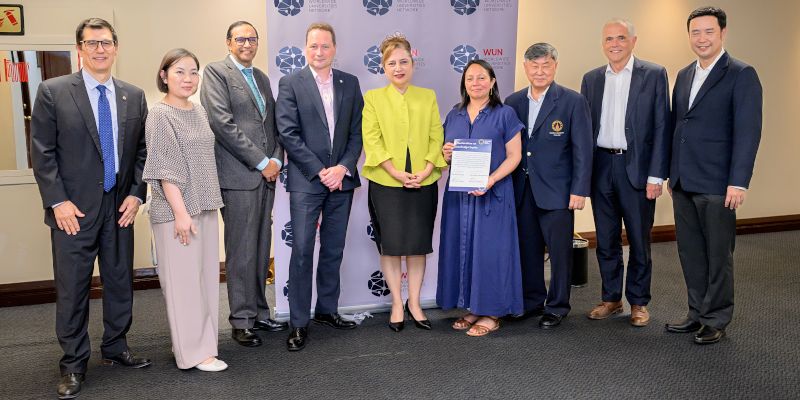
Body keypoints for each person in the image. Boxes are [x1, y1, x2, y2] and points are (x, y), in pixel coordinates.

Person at [30, 18, 151, 399]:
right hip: (72, 211)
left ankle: (116, 347)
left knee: (119, 282)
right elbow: (43, 153)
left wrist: (136, 193)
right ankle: (72, 363)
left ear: (116, 47)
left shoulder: (133, 95)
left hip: (120, 206)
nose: (100, 49)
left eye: (106, 42)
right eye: (91, 43)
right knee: (73, 289)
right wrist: (57, 201)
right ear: (80, 48)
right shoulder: (53, 91)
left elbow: (142, 152)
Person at [665, 7, 762, 345]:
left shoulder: (741, 74)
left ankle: (717, 319)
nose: (701, 38)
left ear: (722, 33)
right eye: (695, 32)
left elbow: (748, 133)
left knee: (718, 255)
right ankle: (696, 313)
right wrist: (669, 173)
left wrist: (739, 181)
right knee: (691, 252)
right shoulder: (685, 74)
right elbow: (679, 126)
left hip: (719, 184)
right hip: (683, 181)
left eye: (708, 31)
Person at [276, 22, 364, 351]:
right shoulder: (290, 83)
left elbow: (357, 132)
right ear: (305, 49)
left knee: (333, 249)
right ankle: (298, 322)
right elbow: (288, 133)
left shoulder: (350, 83)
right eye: (313, 46)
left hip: (342, 180)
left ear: (335, 49)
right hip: (307, 181)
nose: (319, 51)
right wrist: (320, 170)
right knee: (301, 252)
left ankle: (327, 310)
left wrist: (342, 167)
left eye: (325, 46)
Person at [200, 20, 288, 348]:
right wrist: (262, 161)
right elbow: (221, 124)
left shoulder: (262, 78)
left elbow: (273, 126)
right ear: (228, 42)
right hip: (238, 176)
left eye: (252, 39)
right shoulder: (216, 73)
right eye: (240, 39)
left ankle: (260, 314)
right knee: (241, 250)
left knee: (261, 247)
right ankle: (241, 320)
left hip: (266, 176)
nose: (247, 44)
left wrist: (277, 159)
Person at [580, 19, 670, 327]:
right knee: (605, 238)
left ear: (633, 41)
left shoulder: (654, 75)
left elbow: (661, 127)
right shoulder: (591, 79)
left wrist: (657, 175)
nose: (614, 44)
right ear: (602, 43)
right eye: (608, 39)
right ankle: (611, 298)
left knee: (638, 239)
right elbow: (584, 131)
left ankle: (639, 302)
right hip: (601, 166)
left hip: (637, 169)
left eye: (621, 38)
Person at [143, 48, 227, 372]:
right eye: (179, 71)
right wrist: (180, 213)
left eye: (193, 72)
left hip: (204, 206)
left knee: (205, 282)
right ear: (164, 75)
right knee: (183, 287)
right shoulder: (160, 114)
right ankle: (192, 354)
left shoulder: (199, 110)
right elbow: (166, 169)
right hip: (177, 213)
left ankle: (203, 345)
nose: (188, 78)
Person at [362, 35, 447, 332]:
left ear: (412, 63)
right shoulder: (373, 98)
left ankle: (415, 302)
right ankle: (397, 303)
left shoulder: (428, 96)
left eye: (403, 62)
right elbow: (371, 139)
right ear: (384, 67)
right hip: (387, 181)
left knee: (417, 245)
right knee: (391, 246)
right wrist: (396, 173)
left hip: (423, 180)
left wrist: (425, 170)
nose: (398, 68)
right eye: (392, 63)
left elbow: (437, 135)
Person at [505, 43, 593, 329]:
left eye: (546, 65)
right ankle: (532, 301)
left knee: (559, 252)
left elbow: (583, 149)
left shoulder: (572, 101)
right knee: (527, 248)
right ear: (525, 68)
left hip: (558, 191)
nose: (540, 71)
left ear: (555, 66)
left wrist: (579, 189)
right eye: (534, 66)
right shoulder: (513, 101)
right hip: (521, 188)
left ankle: (557, 306)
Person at [437, 59, 524, 337]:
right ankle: (474, 307)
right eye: (470, 78)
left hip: (493, 194)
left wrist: (491, 180)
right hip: (460, 197)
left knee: (491, 253)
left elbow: (515, 156)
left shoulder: (505, 114)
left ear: (493, 81)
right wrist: (445, 153)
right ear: (464, 83)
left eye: (482, 78)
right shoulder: (455, 114)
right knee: (464, 249)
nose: (476, 83)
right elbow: (446, 153)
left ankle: (493, 312)